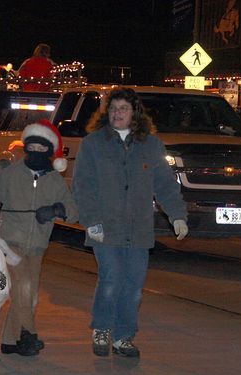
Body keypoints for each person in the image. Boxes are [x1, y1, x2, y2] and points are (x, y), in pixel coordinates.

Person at [72, 87, 188, 359]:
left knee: (134, 286)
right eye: (113, 109)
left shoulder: (151, 145)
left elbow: (165, 185)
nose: (117, 114)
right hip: (105, 227)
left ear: (135, 112)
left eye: (123, 109)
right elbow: (83, 187)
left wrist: (177, 215)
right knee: (111, 278)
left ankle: (124, 337)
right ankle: (101, 328)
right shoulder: (94, 144)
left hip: (138, 229)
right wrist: (91, 221)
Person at [0, 119, 78, 357]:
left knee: (27, 296)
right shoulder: (11, 174)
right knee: (23, 287)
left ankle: (10, 341)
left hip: (38, 246)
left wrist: (56, 209)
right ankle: (29, 335)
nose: (36, 153)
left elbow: (73, 210)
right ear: (26, 147)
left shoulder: (55, 180)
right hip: (11, 243)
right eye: (32, 148)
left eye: (42, 149)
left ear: (50, 152)